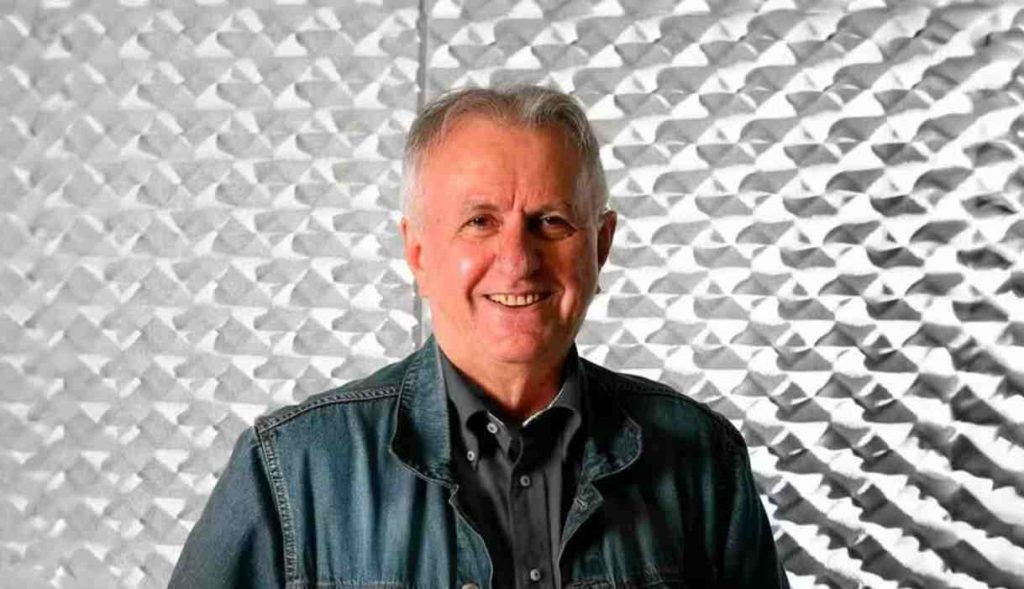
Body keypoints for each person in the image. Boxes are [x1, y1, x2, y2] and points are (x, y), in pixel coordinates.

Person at [169, 85, 790, 589]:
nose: (517, 260)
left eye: (551, 221)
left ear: (600, 246)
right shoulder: (293, 469)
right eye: (480, 221)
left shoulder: (701, 459)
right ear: (417, 250)